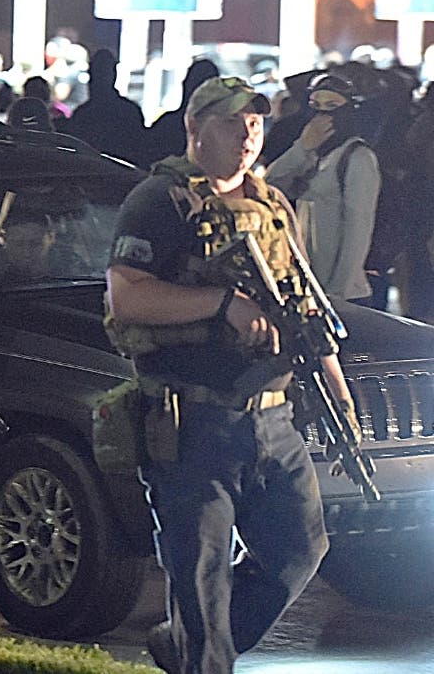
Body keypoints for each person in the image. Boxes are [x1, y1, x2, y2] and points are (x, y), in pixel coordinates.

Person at [105, 76, 356, 672]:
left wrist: (339, 399)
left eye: (256, 124)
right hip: (192, 421)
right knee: (200, 578)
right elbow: (127, 299)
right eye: (232, 123)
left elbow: (303, 309)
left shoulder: (272, 205)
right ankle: (202, 651)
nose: (248, 135)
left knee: (301, 549)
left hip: (273, 419)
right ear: (194, 130)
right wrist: (222, 305)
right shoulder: (158, 201)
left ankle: (189, 645)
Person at [265, 73, 380, 302]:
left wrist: (337, 293)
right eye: (315, 106)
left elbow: (358, 231)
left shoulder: (357, 157)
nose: (322, 115)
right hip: (309, 287)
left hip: (341, 294)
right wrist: (302, 148)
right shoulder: (311, 155)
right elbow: (269, 186)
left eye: (332, 107)